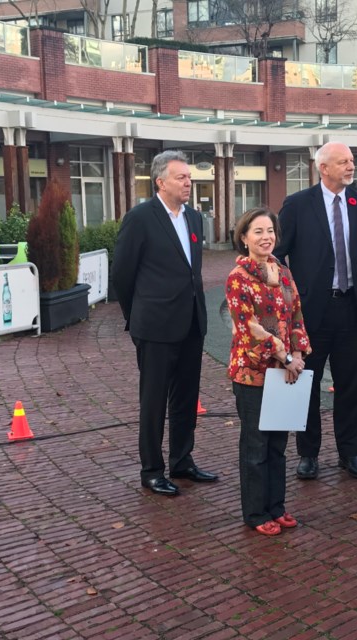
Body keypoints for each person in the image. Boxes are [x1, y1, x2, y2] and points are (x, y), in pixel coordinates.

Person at [274, 142, 357, 480]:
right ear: (323, 167)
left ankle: (349, 453)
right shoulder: (297, 205)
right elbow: (278, 255)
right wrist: (290, 299)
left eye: (352, 161)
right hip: (311, 315)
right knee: (305, 384)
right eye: (343, 162)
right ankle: (308, 454)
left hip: (355, 311)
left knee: (351, 388)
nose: (351, 167)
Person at [112, 150, 218, 496]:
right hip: (155, 326)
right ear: (160, 181)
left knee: (186, 397)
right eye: (180, 177)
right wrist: (137, 316)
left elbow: (192, 271)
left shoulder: (195, 218)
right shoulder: (141, 217)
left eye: (189, 177)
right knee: (154, 399)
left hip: (191, 322)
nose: (188, 182)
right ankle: (152, 469)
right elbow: (122, 275)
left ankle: (182, 460)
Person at [226, 208, 311, 536]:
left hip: (286, 370)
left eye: (270, 230)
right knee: (256, 446)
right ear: (244, 238)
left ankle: (277, 506)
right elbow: (250, 329)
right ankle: (256, 512)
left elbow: (297, 316)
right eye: (257, 231)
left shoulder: (284, 273)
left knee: (278, 445)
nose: (266, 237)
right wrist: (287, 357)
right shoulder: (238, 278)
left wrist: (299, 353)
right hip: (253, 373)